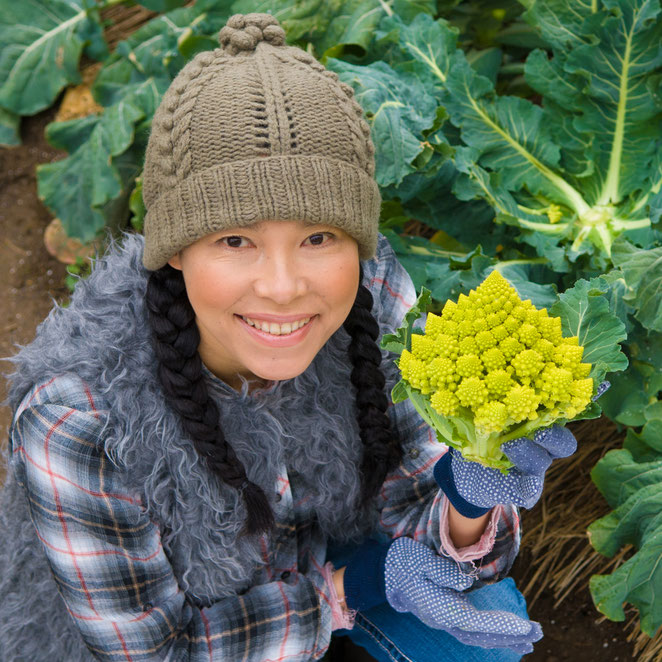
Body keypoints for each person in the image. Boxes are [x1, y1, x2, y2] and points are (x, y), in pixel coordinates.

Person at [0, 12, 577, 662]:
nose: (282, 286)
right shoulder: (78, 420)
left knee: (484, 620)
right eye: (235, 239)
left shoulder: (377, 294)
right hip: (189, 637)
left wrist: (468, 495)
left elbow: (417, 504)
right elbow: (160, 653)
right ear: (176, 253)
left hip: (323, 552)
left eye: (318, 237)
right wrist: (353, 589)